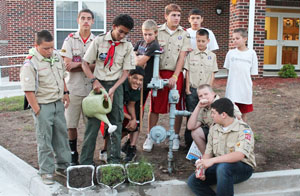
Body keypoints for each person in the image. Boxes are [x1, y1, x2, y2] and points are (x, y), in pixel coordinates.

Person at [79, 14, 135, 164]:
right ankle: (85, 162)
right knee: (93, 124)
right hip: (98, 85)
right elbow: (85, 63)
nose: (122, 36)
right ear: (114, 26)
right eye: (121, 31)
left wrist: (114, 89)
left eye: (126, 33)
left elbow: (126, 72)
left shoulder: (127, 46)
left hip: (116, 85)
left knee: (115, 123)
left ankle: (113, 160)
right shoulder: (99, 41)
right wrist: (94, 81)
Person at [20, 30, 71, 185]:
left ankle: (63, 166)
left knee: (61, 136)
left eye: (51, 47)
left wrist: (65, 92)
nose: (49, 51)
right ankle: (46, 171)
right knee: (45, 139)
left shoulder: (55, 56)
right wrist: (37, 110)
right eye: (45, 48)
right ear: (37, 46)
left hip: (57, 103)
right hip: (43, 105)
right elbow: (28, 90)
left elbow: (62, 75)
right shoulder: (30, 63)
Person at [143, 3, 191, 152]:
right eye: (173, 15)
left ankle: (175, 136)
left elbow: (182, 57)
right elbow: (149, 51)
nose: (176, 18)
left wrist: (176, 77)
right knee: (155, 106)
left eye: (178, 15)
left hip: (175, 74)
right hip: (158, 72)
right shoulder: (157, 31)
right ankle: (150, 136)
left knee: (176, 105)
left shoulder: (184, 34)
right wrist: (155, 76)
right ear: (166, 16)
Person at [187, 97, 256, 196]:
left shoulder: (243, 129)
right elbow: (208, 153)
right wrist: (202, 168)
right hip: (221, 167)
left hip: (242, 167)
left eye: (214, 113)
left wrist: (212, 161)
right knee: (193, 181)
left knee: (223, 168)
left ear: (223, 115)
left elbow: (239, 155)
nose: (211, 116)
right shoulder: (214, 129)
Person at [60, 9, 96, 166]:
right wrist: (86, 65)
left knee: (90, 126)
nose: (86, 21)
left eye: (89, 18)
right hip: (74, 89)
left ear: (93, 21)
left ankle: (87, 157)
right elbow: (67, 65)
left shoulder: (97, 41)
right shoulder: (69, 40)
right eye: (83, 18)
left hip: (90, 91)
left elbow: (100, 65)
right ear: (78, 20)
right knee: (70, 125)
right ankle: (73, 154)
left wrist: (79, 64)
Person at [100, 67, 145, 163]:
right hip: (108, 110)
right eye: (135, 78)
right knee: (115, 123)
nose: (137, 82)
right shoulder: (121, 85)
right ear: (129, 76)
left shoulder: (137, 88)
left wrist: (133, 119)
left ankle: (113, 148)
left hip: (121, 110)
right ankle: (104, 150)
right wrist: (130, 118)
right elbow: (115, 108)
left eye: (140, 80)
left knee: (131, 125)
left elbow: (131, 105)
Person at [184, 29, 218, 149]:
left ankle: (205, 142)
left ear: (208, 41)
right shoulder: (191, 55)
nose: (201, 43)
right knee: (192, 114)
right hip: (193, 90)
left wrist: (210, 90)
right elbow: (187, 72)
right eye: (198, 41)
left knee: (206, 115)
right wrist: (187, 88)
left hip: (205, 92)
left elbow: (213, 73)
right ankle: (189, 144)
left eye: (203, 41)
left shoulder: (212, 56)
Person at [187, 84, 241, 155]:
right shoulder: (203, 107)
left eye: (206, 94)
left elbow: (238, 117)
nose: (203, 97)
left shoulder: (223, 102)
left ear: (213, 94)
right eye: (200, 96)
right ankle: (206, 157)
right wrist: (198, 107)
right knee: (195, 132)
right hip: (213, 134)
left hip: (228, 134)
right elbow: (190, 127)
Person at [224, 28, 258, 122]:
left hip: (244, 89)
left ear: (245, 39)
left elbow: (252, 73)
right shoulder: (231, 54)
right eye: (233, 39)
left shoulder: (251, 54)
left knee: (243, 114)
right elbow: (228, 70)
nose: (234, 41)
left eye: (237, 38)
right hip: (232, 89)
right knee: (231, 113)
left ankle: (242, 133)